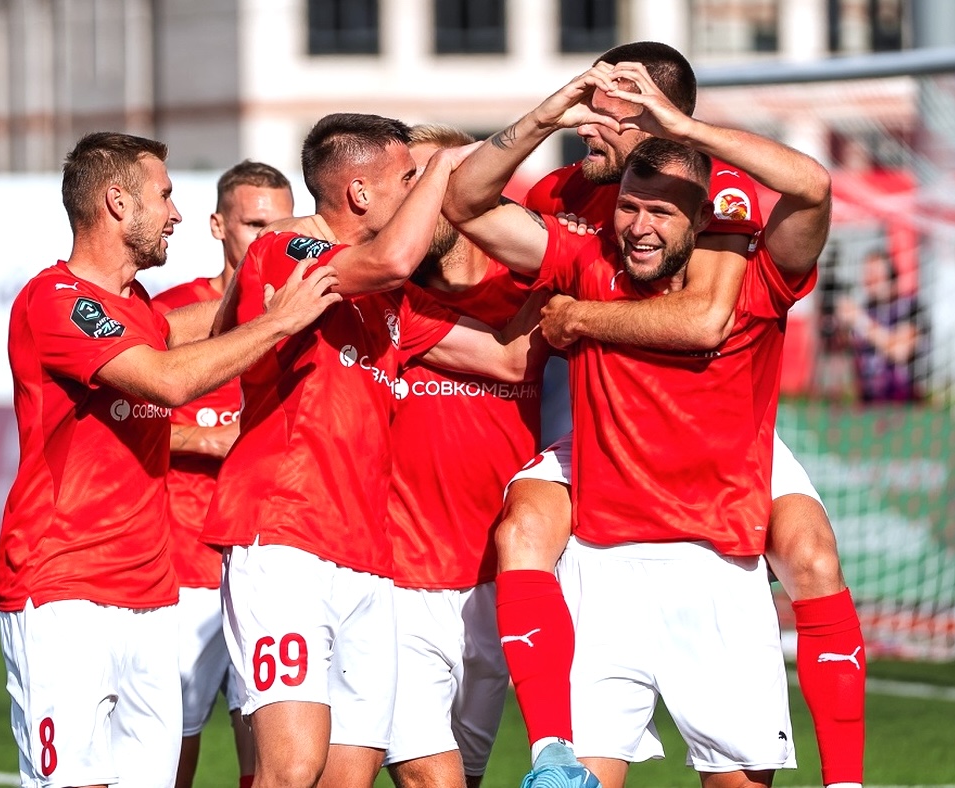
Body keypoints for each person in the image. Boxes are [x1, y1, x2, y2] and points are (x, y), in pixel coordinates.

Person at [443, 60, 831, 788]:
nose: (640, 226)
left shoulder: (758, 284)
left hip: (718, 568)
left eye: (662, 212)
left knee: (810, 561)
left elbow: (812, 186)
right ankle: (548, 752)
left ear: (704, 220)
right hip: (604, 567)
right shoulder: (584, 258)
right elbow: (465, 202)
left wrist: (683, 128)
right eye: (629, 206)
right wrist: (547, 113)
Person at [201, 113, 540, 788]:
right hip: (286, 539)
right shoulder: (288, 252)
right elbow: (392, 257)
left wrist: (569, 274)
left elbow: (509, 360)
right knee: (291, 769)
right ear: (359, 193)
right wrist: (449, 163)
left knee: (346, 778)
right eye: (408, 178)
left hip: (368, 561)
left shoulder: (392, 301)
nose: (424, 192)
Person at [0, 131, 339, 788]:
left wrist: (295, 280)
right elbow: (168, 381)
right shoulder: (56, 300)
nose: (176, 214)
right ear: (117, 202)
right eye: (165, 195)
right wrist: (279, 321)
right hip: (64, 589)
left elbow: (201, 325)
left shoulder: (137, 307)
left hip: (153, 594)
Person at [383, 124, 547, 788]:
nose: (418, 198)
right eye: (409, 184)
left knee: (467, 775)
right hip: (398, 579)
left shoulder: (532, 287)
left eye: (432, 179)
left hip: (498, 582)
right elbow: (511, 358)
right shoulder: (387, 294)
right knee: (431, 777)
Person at [153, 160, 295, 788]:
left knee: (271, 754)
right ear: (217, 225)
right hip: (185, 566)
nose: (270, 238)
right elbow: (118, 424)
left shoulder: (306, 314)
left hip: (271, 563)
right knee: (170, 749)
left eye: (283, 224)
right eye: (255, 224)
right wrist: (203, 437)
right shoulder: (173, 314)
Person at [836, 248, 921, 403]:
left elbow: (900, 351)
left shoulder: (908, 307)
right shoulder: (865, 309)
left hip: (903, 404)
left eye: (875, 275)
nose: (869, 281)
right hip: (868, 404)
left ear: (891, 277)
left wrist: (860, 321)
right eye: (867, 275)